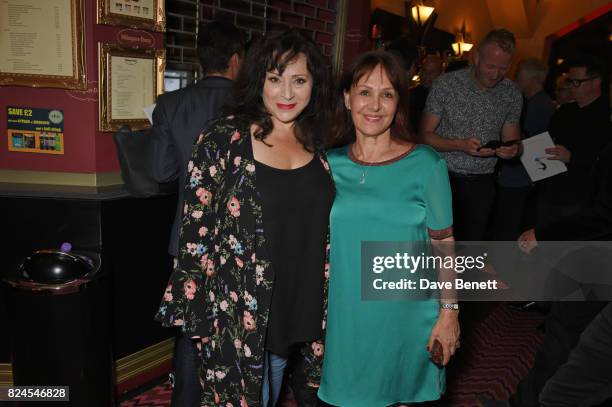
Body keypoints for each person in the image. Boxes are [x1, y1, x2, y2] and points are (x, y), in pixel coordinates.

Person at [155, 29, 334, 407]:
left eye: (298, 80)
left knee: (271, 390)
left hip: (292, 306)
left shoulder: (317, 144)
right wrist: (196, 313)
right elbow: (194, 233)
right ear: (258, 81)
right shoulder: (223, 138)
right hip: (236, 309)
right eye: (275, 79)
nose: (287, 93)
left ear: (314, 85)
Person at [318, 51, 460, 407]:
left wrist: (449, 315)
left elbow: (444, 244)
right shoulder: (326, 165)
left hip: (407, 316)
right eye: (365, 92)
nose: (375, 105)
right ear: (347, 98)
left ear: (399, 103)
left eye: (387, 94)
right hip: (344, 317)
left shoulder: (426, 164)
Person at [147, 20, 246, 406]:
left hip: (189, 236)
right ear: (237, 59)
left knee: (192, 328)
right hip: (245, 234)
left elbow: (160, 172)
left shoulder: (171, 104)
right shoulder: (254, 106)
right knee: (244, 326)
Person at [421, 28, 522, 241]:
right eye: (490, 66)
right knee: (435, 246)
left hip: (483, 184)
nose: (496, 75)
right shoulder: (446, 84)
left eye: (503, 68)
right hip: (442, 178)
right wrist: (460, 145)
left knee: (470, 248)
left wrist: (512, 150)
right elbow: (425, 136)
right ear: (475, 57)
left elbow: (513, 140)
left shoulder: (512, 92)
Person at [535, 54, 611, 229]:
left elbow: (604, 161)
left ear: (596, 81)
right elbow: (548, 140)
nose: (572, 87)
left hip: (581, 197)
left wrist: (573, 157)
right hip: (550, 190)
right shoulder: (564, 111)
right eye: (570, 81)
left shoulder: (606, 116)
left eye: (577, 82)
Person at [492, 58, 555, 241]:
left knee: (508, 223)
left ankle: (500, 264)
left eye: (519, 74)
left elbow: (534, 143)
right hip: (521, 174)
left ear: (530, 78)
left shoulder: (538, 105)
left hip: (519, 176)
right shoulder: (537, 102)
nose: (514, 78)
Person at [410, 54, 444, 130]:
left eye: (432, 72)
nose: (426, 75)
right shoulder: (411, 96)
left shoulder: (446, 96)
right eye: (424, 71)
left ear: (441, 74)